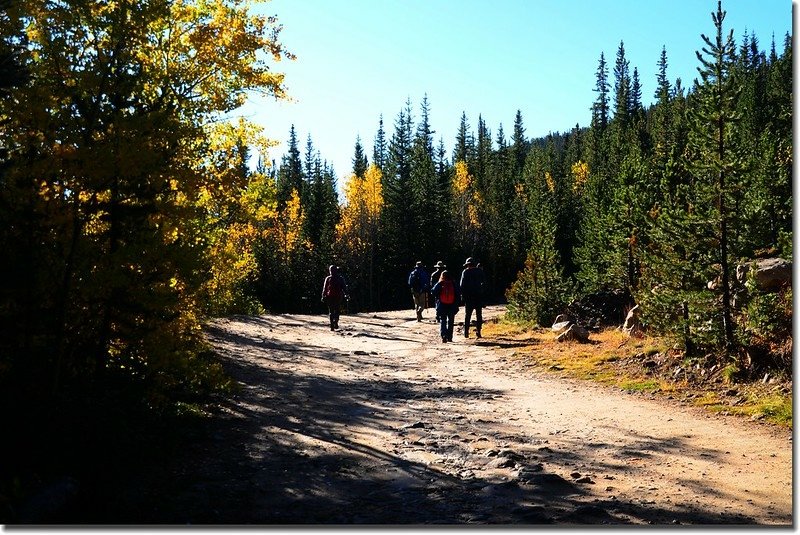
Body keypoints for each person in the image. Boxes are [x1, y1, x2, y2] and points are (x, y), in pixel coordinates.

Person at [431, 270, 461, 343]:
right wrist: (456, 304)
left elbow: (433, 291)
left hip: (442, 305)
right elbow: (458, 293)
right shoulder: (453, 283)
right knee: (451, 321)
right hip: (451, 305)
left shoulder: (440, 283)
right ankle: (450, 337)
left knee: (443, 320)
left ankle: (443, 335)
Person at [460, 257, 485, 338]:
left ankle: (466, 332)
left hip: (469, 296)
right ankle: (479, 331)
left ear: (467, 264)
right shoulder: (480, 271)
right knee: (479, 314)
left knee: (468, 315)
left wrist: (462, 295)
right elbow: (484, 283)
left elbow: (462, 285)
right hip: (478, 296)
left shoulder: (465, 272)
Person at [321, 265, 348, 330]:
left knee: (331, 311)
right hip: (338, 297)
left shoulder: (328, 278)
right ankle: (335, 322)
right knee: (337, 310)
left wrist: (323, 296)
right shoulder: (340, 278)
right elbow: (344, 288)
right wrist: (346, 295)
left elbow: (324, 288)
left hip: (329, 296)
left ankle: (332, 325)